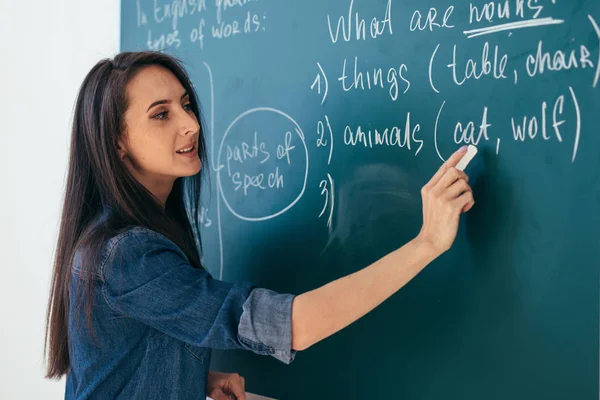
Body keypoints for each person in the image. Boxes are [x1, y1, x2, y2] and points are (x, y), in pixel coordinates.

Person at [44, 51, 475, 400]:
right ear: (116, 141)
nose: (191, 124)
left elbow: (126, 352)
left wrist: (193, 378)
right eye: (161, 115)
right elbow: (295, 326)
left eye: (186, 104)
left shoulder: (124, 237)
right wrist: (428, 242)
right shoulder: (127, 254)